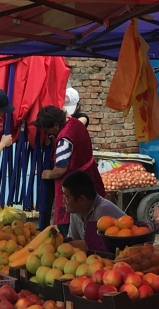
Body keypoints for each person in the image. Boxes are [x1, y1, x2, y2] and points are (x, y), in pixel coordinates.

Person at [36, 104, 105, 236]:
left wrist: (48, 174)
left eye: (49, 130)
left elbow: (61, 169)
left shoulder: (64, 140)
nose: (49, 133)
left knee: (73, 230)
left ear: (56, 125)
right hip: (89, 178)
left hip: (75, 187)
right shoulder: (75, 123)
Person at [60, 170, 124, 246]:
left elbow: (101, 250)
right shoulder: (75, 212)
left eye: (67, 197)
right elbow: (74, 242)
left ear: (81, 199)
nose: (63, 200)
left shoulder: (103, 212)